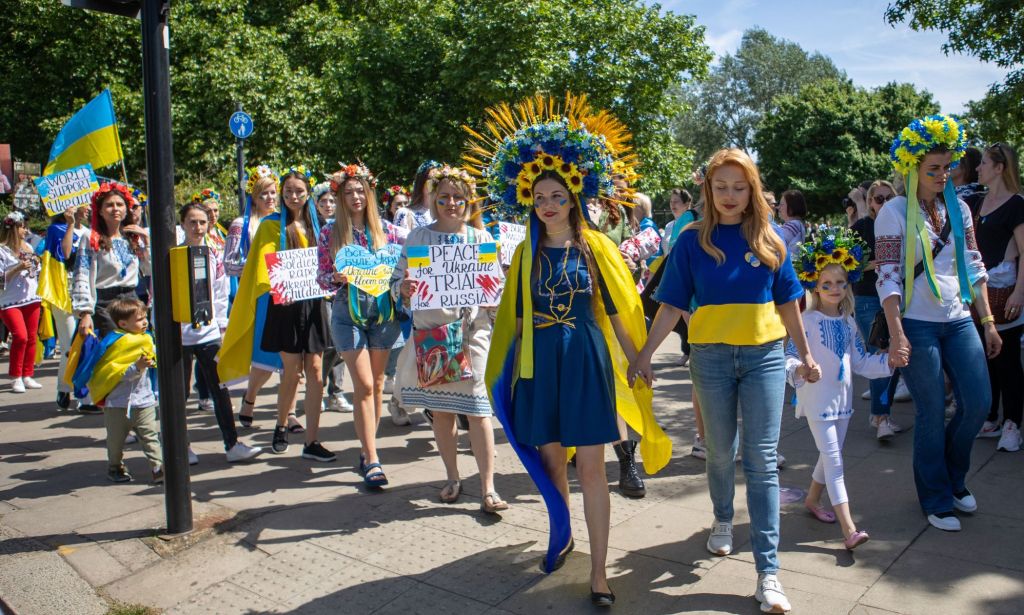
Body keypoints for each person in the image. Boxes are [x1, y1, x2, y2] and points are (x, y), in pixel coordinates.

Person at [476, 95, 672, 607]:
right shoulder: (523, 253)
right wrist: (504, 372)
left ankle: (601, 572)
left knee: (591, 468)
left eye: (557, 196)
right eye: (539, 196)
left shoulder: (597, 247)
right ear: (529, 201)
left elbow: (613, 311)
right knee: (550, 463)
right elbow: (513, 321)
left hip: (586, 362)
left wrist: (637, 357)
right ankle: (560, 534)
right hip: (540, 366)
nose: (547, 204)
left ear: (574, 198)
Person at [631, 148, 821, 614]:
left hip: (765, 360)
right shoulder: (692, 240)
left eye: (740, 187)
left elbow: (789, 304)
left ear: (752, 189)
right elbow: (671, 305)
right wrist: (644, 355)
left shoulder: (770, 239)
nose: (730, 196)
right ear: (708, 191)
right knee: (720, 451)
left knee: (761, 461)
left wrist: (805, 353)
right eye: (721, 187)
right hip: (710, 360)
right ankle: (721, 520)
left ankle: (768, 572)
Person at [876, 114, 1001, 531]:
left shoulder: (960, 207)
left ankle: (953, 477)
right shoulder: (892, 212)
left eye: (947, 167)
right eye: (933, 168)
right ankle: (935, 495)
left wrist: (987, 319)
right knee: (931, 412)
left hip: (959, 318)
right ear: (911, 169)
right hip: (917, 323)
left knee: (978, 403)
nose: (942, 174)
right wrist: (897, 335)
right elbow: (889, 275)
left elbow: (973, 263)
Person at [392, 164, 507, 511]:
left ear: (469, 201)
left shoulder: (482, 240)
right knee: (441, 411)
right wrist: (405, 288)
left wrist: (494, 295)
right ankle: (453, 476)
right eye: (444, 197)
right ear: (432, 199)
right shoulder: (418, 238)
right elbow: (398, 283)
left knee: (478, 408)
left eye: (458, 197)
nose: (451, 203)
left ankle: (488, 487)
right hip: (433, 334)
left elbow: (496, 290)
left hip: (474, 333)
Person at [789, 226, 903, 549]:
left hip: (843, 403)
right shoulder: (807, 322)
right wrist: (800, 369)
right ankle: (849, 529)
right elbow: (787, 358)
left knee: (829, 457)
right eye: (826, 284)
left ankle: (812, 499)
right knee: (835, 461)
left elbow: (862, 362)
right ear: (815, 285)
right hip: (816, 402)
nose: (834, 289)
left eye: (840, 282)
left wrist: (889, 363)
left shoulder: (849, 321)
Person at [220, 166, 331, 460]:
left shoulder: (319, 225)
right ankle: (281, 425)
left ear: (308, 194)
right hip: (285, 304)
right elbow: (263, 263)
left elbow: (327, 260)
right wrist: (276, 286)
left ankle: (312, 440)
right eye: (288, 191)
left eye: (299, 191)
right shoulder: (271, 225)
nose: (294, 196)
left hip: (314, 304)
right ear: (282, 195)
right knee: (292, 373)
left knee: (317, 373)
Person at [317, 162, 405, 485]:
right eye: (350, 191)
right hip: (347, 312)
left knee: (378, 385)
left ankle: (368, 448)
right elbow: (321, 279)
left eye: (361, 191)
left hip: (383, 313)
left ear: (369, 195)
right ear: (340, 197)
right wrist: (335, 277)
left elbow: (405, 266)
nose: (356, 197)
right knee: (364, 385)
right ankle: (373, 459)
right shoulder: (329, 232)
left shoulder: (390, 231)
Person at [179, 202, 262, 463]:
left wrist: (221, 327)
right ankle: (181, 446)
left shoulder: (214, 254)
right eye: (192, 222)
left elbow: (220, 293)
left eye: (202, 222)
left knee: (220, 388)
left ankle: (232, 444)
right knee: (178, 394)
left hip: (208, 333)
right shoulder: (173, 254)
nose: (197, 227)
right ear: (182, 224)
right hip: (178, 335)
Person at [222, 166, 295, 430]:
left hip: (287, 292)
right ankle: (250, 396)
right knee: (265, 355)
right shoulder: (243, 225)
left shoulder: (285, 221)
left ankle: (290, 412)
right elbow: (229, 264)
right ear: (253, 197)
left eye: (273, 193)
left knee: (293, 357)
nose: (270, 198)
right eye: (264, 194)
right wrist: (257, 266)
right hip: (259, 294)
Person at [72, 182, 150, 414]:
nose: (115, 209)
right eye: (109, 205)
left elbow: (149, 269)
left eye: (120, 204)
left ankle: (137, 412)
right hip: (106, 305)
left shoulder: (132, 238)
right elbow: (82, 274)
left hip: (133, 301)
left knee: (139, 356)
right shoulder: (91, 238)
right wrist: (85, 312)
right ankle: (117, 416)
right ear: (100, 209)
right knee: (115, 360)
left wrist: (144, 240)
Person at [968, 142, 1024, 451]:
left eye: (984, 163)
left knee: (1008, 361)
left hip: (1005, 292)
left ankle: (1013, 423)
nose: (978, 168)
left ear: (1000, 168)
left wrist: (1019, 292)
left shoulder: (1017, 204)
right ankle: (991, 417)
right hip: (980, 292)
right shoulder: (977, 203)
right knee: (984, 358)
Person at [849, 180, 907, 439]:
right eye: (878, 199)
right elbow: (850, 265)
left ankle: (880, 413)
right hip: (868, 299)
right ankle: (882, 417)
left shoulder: (900, 221)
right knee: (880, 354)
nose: (883, 203)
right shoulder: (862, 227)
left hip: (896, 298)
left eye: (887, 198)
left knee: (894, 357)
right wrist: (879, 261)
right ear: (870, 202)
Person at [94, 297, 163, 484]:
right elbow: (112, 372)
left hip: (144, 400)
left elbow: (155, 357)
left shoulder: (146, 339)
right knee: (115, 443)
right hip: (117, 404)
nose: (145, 322)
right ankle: (115, 467)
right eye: (140, 319)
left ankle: (158, 468)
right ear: (123, 323)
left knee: (150, 436)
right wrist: (137, 366)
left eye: (145, 317)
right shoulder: (114, 344)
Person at [312, 181, 354, 414]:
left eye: (331, 200)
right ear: (316, 205)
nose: (328, 205)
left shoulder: (344, 226)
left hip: (343, 292)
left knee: (339, 347)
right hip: (320, 293)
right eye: (323, 201)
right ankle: (319, 387)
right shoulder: (314, 227)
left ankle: (336, 392)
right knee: (328, 344)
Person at [0, 211, 42, 393]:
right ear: (14, 228)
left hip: (31, 297)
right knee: (20, 336)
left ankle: (27, 374)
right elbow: (1, 278)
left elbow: (35, 272)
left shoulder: (28, 247)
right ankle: (16, 377)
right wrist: (18, 267)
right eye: (23, 227)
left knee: (32, 337)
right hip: (10, 301)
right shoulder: (2, 250)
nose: (26, 230)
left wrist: (35, 265)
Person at [393, 161, 440, 230]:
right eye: (431, 179)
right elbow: (397, 239)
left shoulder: (445, 215)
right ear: (421, 183)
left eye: (439, 179)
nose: (436, 183)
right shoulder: (405, 213)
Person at [777, 189, 808, 256]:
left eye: (781, 204)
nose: (778, 207)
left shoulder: (793, 225)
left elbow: (775, 243)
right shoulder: (798, 223)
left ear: (792, 207)